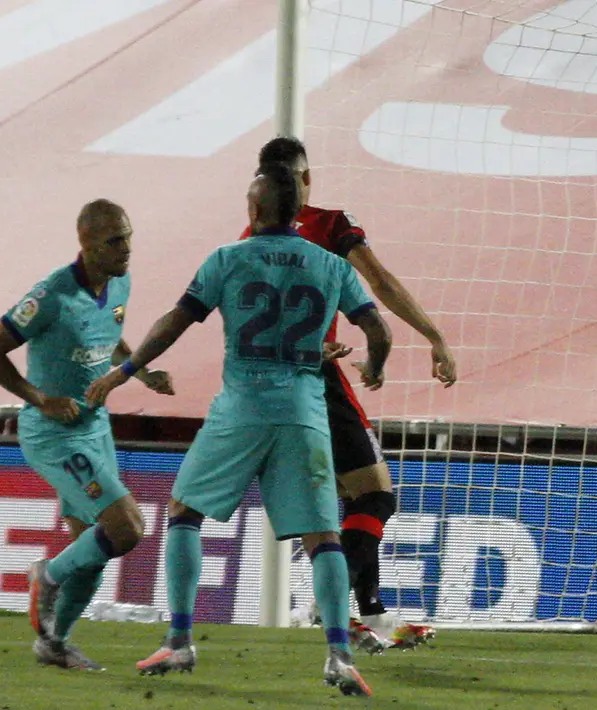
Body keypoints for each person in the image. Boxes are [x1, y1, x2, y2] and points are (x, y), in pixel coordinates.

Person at [86, 162, 391, 696]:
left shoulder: (228, 258)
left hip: (243, 407)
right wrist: (377, 366)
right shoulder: (329, 264)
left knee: (184, 512)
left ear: (253, 211)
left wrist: (124, 371)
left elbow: (174, 323)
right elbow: (378, 328)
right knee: (325, 538)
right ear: (298, 211)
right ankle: (339, 655)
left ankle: (180, 640)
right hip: (303, 410)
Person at [243, 136, 454, 651]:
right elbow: (378, 283)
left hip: (258, 389)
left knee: (347, 499)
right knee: (376, 495)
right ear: (305, 179)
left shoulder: (245, 241)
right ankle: (330, 600)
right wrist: (433, 336)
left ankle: (372, 616)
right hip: (317, 380)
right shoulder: (328, 223)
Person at [0, 199, 175, 670]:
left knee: (94, 551)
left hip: (95, 425)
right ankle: (47, 574)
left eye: (127, 236)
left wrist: (139, 372)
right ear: (85, 243)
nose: (126, 248)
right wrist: (40, 398)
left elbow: (111, 332)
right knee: (126, 527)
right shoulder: (52, 296)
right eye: (114, 240)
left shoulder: (120, 280)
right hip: (54, 433)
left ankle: (54, 643)